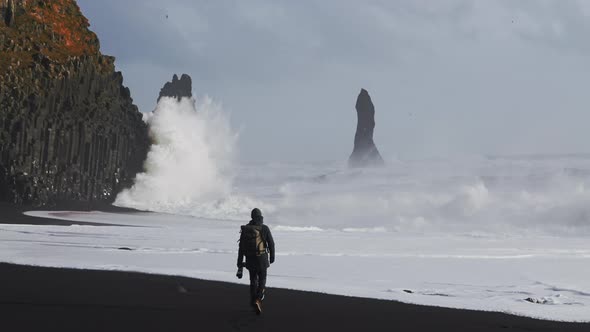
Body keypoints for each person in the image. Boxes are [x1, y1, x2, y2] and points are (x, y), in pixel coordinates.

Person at [237, 208, 275, 314]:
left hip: (250, 259)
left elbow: (241, 248)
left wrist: (239, 263)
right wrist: (272, 257)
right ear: (260, 216)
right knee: (262, 279)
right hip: (262, 258)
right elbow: (271, 244)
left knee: (253, 280)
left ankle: (253, 301)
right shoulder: (264, 228)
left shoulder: (246, 229)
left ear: (252, 216)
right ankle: (258, 298)